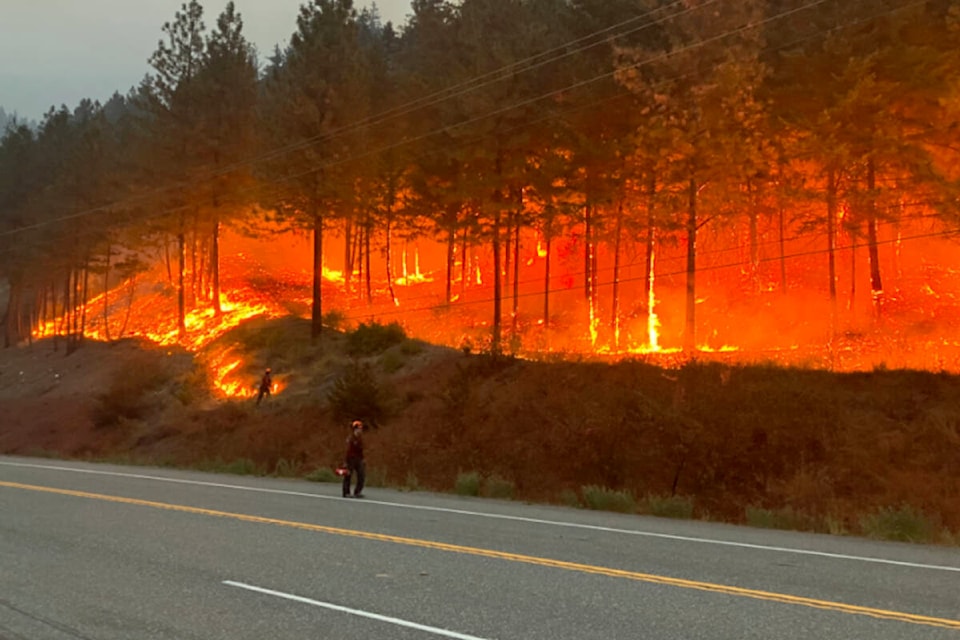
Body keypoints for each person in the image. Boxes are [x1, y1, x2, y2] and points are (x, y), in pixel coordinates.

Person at [342, 420, 366, 498]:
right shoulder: (350, 438)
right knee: (348, 475)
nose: (360, 430)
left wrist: (363, 459)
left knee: (361, 475)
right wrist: (345, 461)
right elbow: (347, 450)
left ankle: (357, 492)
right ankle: (346, 492)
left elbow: (361, 450)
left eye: (361, 428)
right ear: (355, 429)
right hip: (350, 459)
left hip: (358, 459)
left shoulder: (360, 439)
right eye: (359, 428)